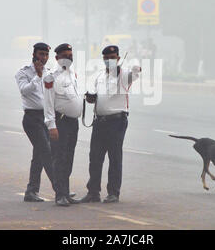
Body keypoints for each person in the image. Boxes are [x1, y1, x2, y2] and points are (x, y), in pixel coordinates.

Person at [80, 45, 141, 203]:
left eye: (112, 58)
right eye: (106, 58)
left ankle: (113, 193)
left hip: (116, 121)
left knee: (114, 158)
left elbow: (136, 72)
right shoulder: (100, 76)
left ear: (118, 58)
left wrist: (133, 65)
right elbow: (96, 96)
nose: (109, 60)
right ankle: (93, 192)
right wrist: (90, 98)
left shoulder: (123, 75)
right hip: (99, 122)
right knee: (95, 158)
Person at [15, 42, 57, 202]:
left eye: (46, 55)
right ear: (34, 55)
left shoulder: (49, 71)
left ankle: (31, 191)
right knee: (46, 151)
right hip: (32, 118)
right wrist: (37, 77)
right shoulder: (23, 72)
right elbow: (24, 90)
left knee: (39, 155)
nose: (44, 58)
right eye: (41, 54)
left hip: (46, 118)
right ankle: (59, 187)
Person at [43, 43, 83, 207]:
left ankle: (66, 192)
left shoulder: (72, 73)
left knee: (69, 158)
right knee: (59, 159)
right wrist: (52, 125)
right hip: (60, 123)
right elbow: (48, 103)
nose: (69, 58)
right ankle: (60, 195)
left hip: (73, 122)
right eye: (65, 56)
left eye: (71, 55)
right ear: (57, 58)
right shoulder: (51, 77)